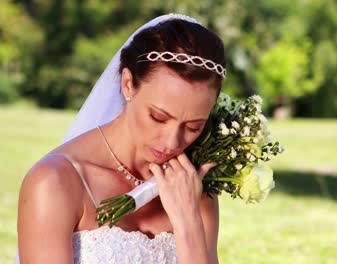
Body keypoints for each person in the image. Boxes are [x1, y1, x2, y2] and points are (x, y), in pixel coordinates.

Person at [16, 13, 226, 264]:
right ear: (128, 84)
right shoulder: (55, 182)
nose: (171, 142)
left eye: (193, 126)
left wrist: (188, 222)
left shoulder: (192, 185)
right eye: (158, 117)